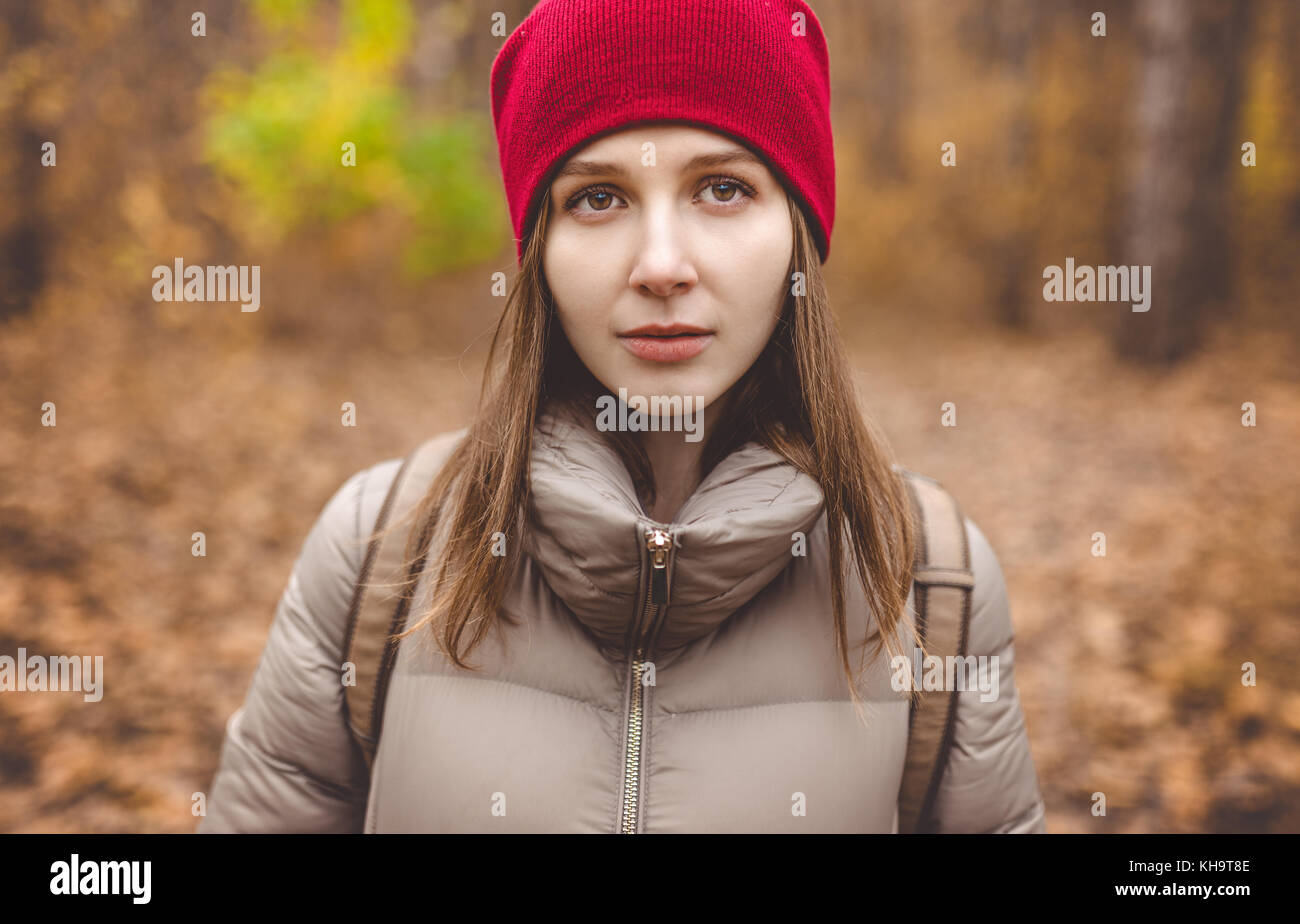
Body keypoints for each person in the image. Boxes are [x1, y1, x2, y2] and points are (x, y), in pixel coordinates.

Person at [198, 0, 1046, 834]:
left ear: (797, 233)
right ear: (540, 250)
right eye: (598, 198)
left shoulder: (932, 582)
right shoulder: (377, 553)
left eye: (721, 188)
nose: (662, 264)